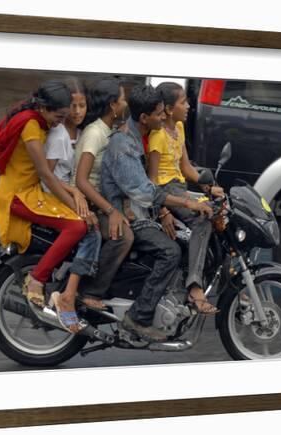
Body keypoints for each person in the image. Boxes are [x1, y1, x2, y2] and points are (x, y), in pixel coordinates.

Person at [100, 84, 213, 342]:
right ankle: (138, 317)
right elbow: (145, 191)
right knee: (169, 251)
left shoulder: (139, 135)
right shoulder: (124, 144)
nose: (163, 117)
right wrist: (185, 204)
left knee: (181, 242)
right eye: (160, 113)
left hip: (141, 211)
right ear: (144, 118)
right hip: (127, 214)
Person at [0, 80, 88, 333]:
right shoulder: (32, 126)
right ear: (44, 108)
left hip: (27, 190)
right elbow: (46, 174)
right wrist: (74, 206)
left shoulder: (36, 119)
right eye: (59, 116)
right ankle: (36, 279)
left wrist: (73, 192)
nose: (60, 121)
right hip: (18, 195)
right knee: (77, 227)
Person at [147, 82, 224, 314]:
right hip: (166, 191)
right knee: (203, 217)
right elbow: (151, 181)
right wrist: (163, 210)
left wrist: (209, 188)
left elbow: (186, 167)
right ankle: (194, 286)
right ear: (169, 109)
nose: (189, 106)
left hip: (179, 186)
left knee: (221, 210)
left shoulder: (178, 127)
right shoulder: (157, 136)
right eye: (184, 102)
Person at [42, 78, 103, 310]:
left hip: (69, 191)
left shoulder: (82, 133)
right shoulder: (59, 135)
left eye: (82, 105)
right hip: (53, 193)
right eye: (73, 106)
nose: (78, 111)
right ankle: (70, 293)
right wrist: (75, 191)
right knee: (92, 232)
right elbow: (47, 175)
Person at [72, 78, 134, 301]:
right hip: (86, 202)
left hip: (101, 200)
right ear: (112, 106)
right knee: (123, 236)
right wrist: (111, 211)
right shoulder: (95, 133)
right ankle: (90, 292)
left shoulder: (110, 131)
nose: (125, 103)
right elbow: (81, 180)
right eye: (122, 99)